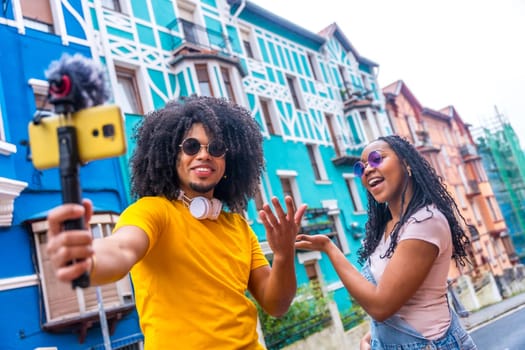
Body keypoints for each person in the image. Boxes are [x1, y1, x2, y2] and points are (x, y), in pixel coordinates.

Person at [46, 95, 307, 349]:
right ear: (172, 156)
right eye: (191, 146)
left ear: (229, 162)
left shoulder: (239, 227)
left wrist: (284, 254)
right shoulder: (152, 212)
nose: (204, 155)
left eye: (216, 148)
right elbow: (121, 249)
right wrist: (88, 257)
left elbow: (276, 305)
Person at [295, 135, 477, 349]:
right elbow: (397, 311)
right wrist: (375, 339)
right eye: (361, 168)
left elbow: (381, 306)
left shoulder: (425, 222)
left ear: (406, 163)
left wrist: (328, 247)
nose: (367, 170)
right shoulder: (388, 228)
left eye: (376, 159)